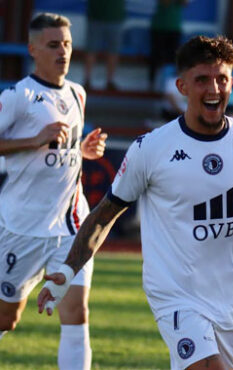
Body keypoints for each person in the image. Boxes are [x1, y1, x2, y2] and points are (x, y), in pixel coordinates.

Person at [37, 35, 233, 369]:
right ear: (182, 86)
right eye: (202, 80)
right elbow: (105, 215)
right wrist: (68, 268)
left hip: (232, 302)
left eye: (222, 79)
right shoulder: (151, 148)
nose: (214, 89)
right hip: (174, 294)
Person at [0, 13, 107, 370]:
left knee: (76, 312)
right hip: (22, 228)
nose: (63, 51)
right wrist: (33, 140)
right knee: (6, 320)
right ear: (33, 50)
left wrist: (82, 151)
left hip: (70, 224)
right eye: (53, 45)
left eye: (67, 44)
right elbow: (32, 143)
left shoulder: (78, 92)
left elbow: (62, 148)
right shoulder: (18, 96)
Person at [83, 0, 125, 90]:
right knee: (91, 50)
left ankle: (110, 81)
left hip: (115, 17)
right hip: (96, 16)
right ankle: (87, 80)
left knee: (113, 51)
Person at [149, 0, 188, 88]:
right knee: (156, 57)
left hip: (175, 27)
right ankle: (152, 84)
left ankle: (170, 85)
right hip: (159, 27)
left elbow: (185, 3)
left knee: (173, 58)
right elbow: (165, 2)